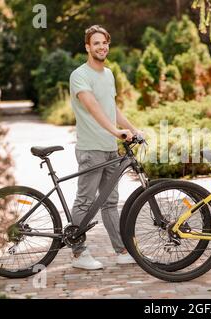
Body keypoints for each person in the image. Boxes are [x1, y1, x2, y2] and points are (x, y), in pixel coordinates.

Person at [69, 25, 143, 270]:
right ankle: (79, 253)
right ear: (87, 47)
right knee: (85, 201)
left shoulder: (108, 74)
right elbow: (93, 107)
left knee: (111, 201)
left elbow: (111, 108)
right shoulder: (79, 75)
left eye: (105, 43)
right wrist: (115, 131)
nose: (101, 47)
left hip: (111, 149)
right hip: (91, 149)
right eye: (96, 43)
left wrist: (132, 129)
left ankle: (121, 250)